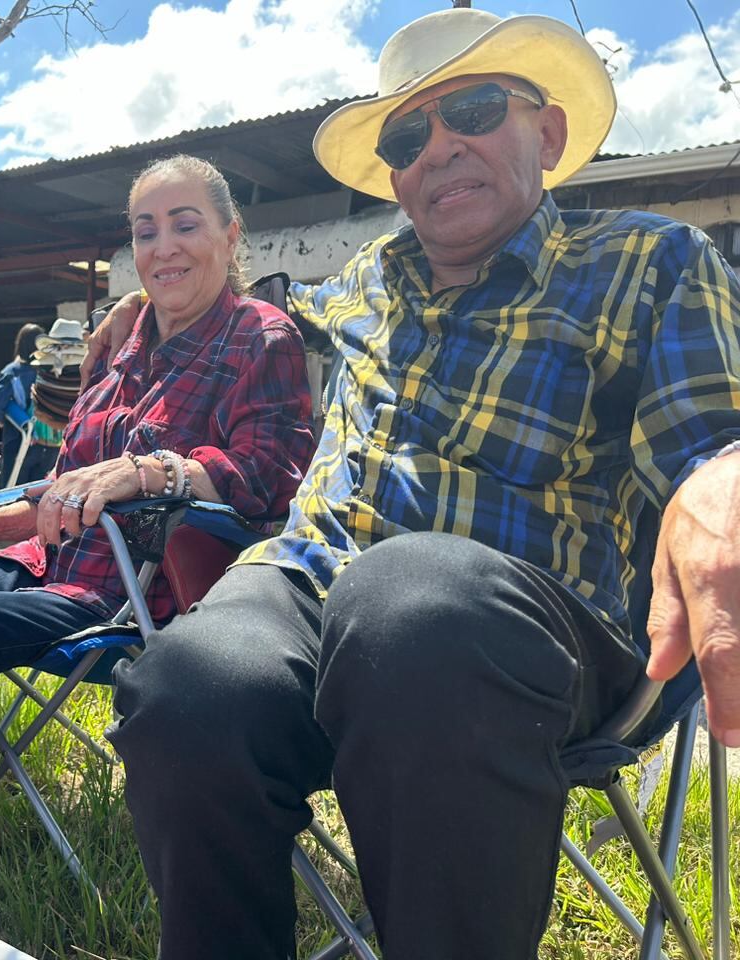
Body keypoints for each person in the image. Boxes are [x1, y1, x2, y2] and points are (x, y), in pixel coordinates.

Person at [84, 9, 740, 960]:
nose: (439, 149)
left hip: (528, 626)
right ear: (393, 175)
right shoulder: (363, 282)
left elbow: (708, 440)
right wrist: (145, 302)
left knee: (414, 596)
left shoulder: (647, 261)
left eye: (472, 110)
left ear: (546, 134)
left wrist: (721, 480)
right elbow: (247, 297)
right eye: (408, 135)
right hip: (317, 582)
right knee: (184, 686)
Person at [0, 154, 315, 921]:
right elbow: (65, 486)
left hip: (139, 594)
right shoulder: (122, 346)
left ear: (231, 235)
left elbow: (271, 478)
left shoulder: (260, 337)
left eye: (185, 224)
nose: (164, 246)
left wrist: (154, 471)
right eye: (146, 231)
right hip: (52, 561)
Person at [0, 323, 42, 488]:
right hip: (48, 439)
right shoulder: (49, 370)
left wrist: (1, 418)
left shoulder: (13, 371)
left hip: (17, 437)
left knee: (12, 489)